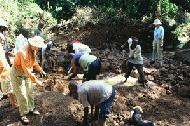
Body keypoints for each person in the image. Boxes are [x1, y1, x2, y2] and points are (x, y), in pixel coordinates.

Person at [10, 36, 46, 124]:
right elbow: (25, 69)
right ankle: (23, 114)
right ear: (32, 44)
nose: (38, 48)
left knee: (29, 92)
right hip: (17, 73)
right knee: (22, 94)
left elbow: (34, 62)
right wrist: (37, 81)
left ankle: (31, 108)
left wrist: (41, 70)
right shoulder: (23, 53)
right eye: (37, 46)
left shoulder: (34, 50)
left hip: (26, 72)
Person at [0, 44, 17, 109]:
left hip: (4, 74)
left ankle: (14, 104)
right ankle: (12, 103)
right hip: (5, 72)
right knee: (9, 90)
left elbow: (1, 66)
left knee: (10, 90)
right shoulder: (1, 49)